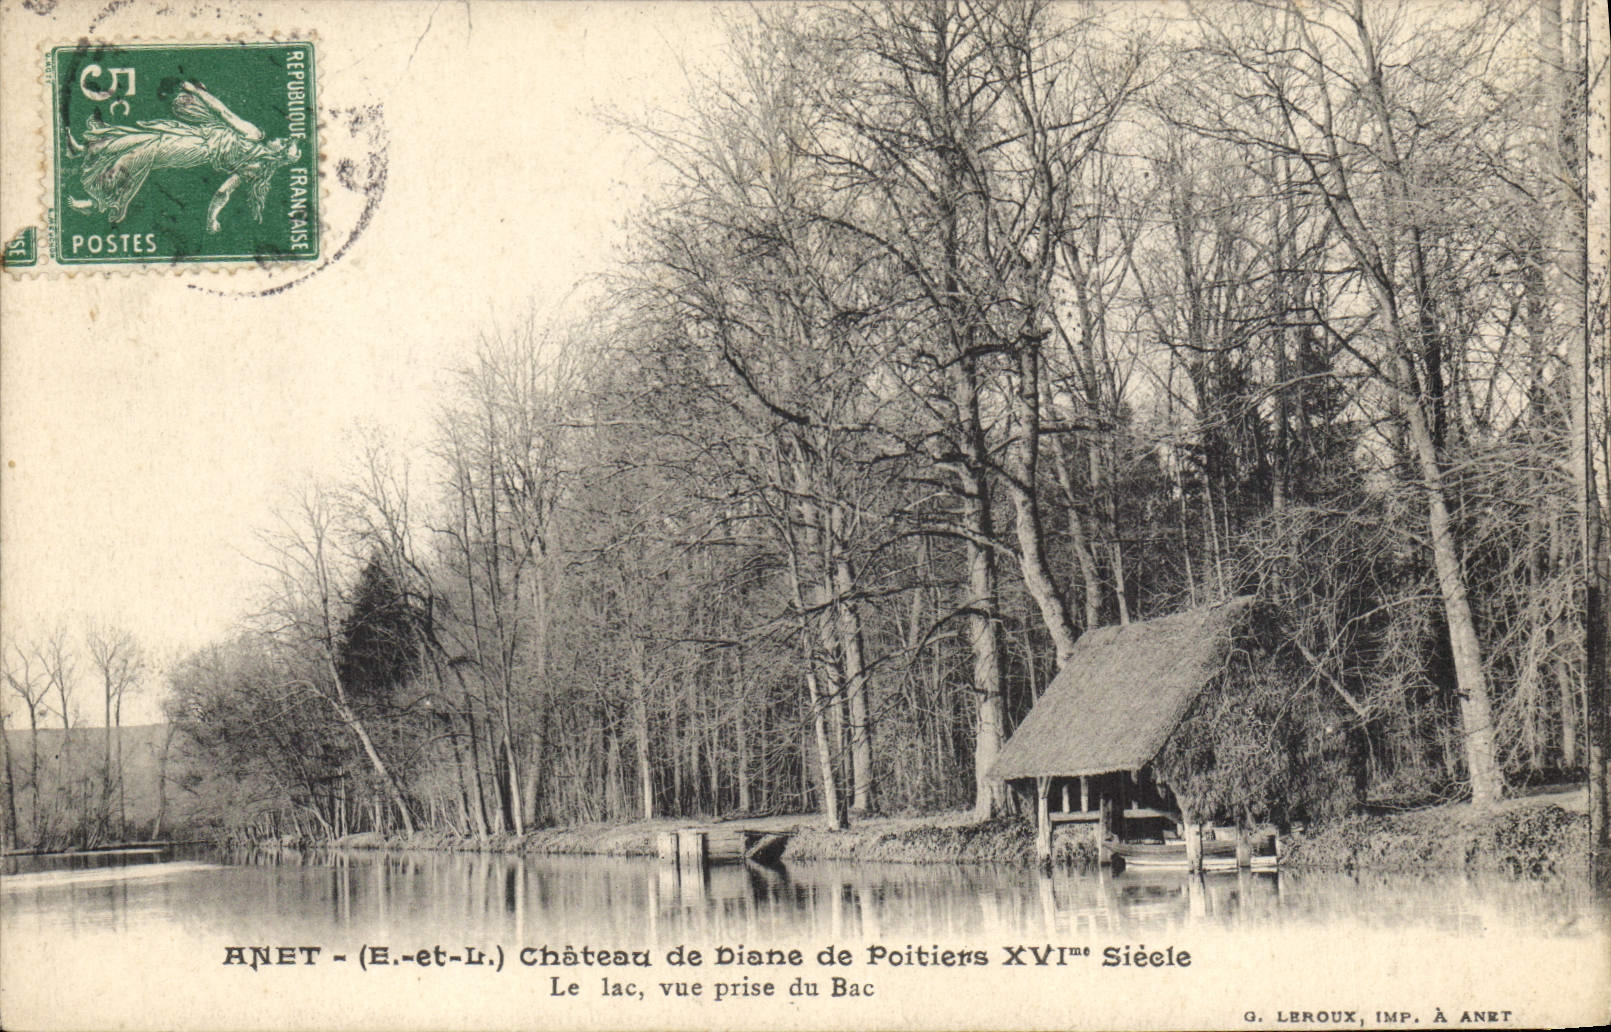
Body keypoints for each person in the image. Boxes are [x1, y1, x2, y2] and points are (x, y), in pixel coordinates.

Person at [65, 80, 299, 233]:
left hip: (196, 147)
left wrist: (197, 92)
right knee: (146, 137)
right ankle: (86, 148)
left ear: (278, 152)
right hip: (195, 137)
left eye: (285, 143)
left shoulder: (254, 135)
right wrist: (212, 220)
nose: (281, 138)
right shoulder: (255, 167)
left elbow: (223, 112)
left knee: (142, 153)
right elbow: (222, 192)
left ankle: (98, 203)